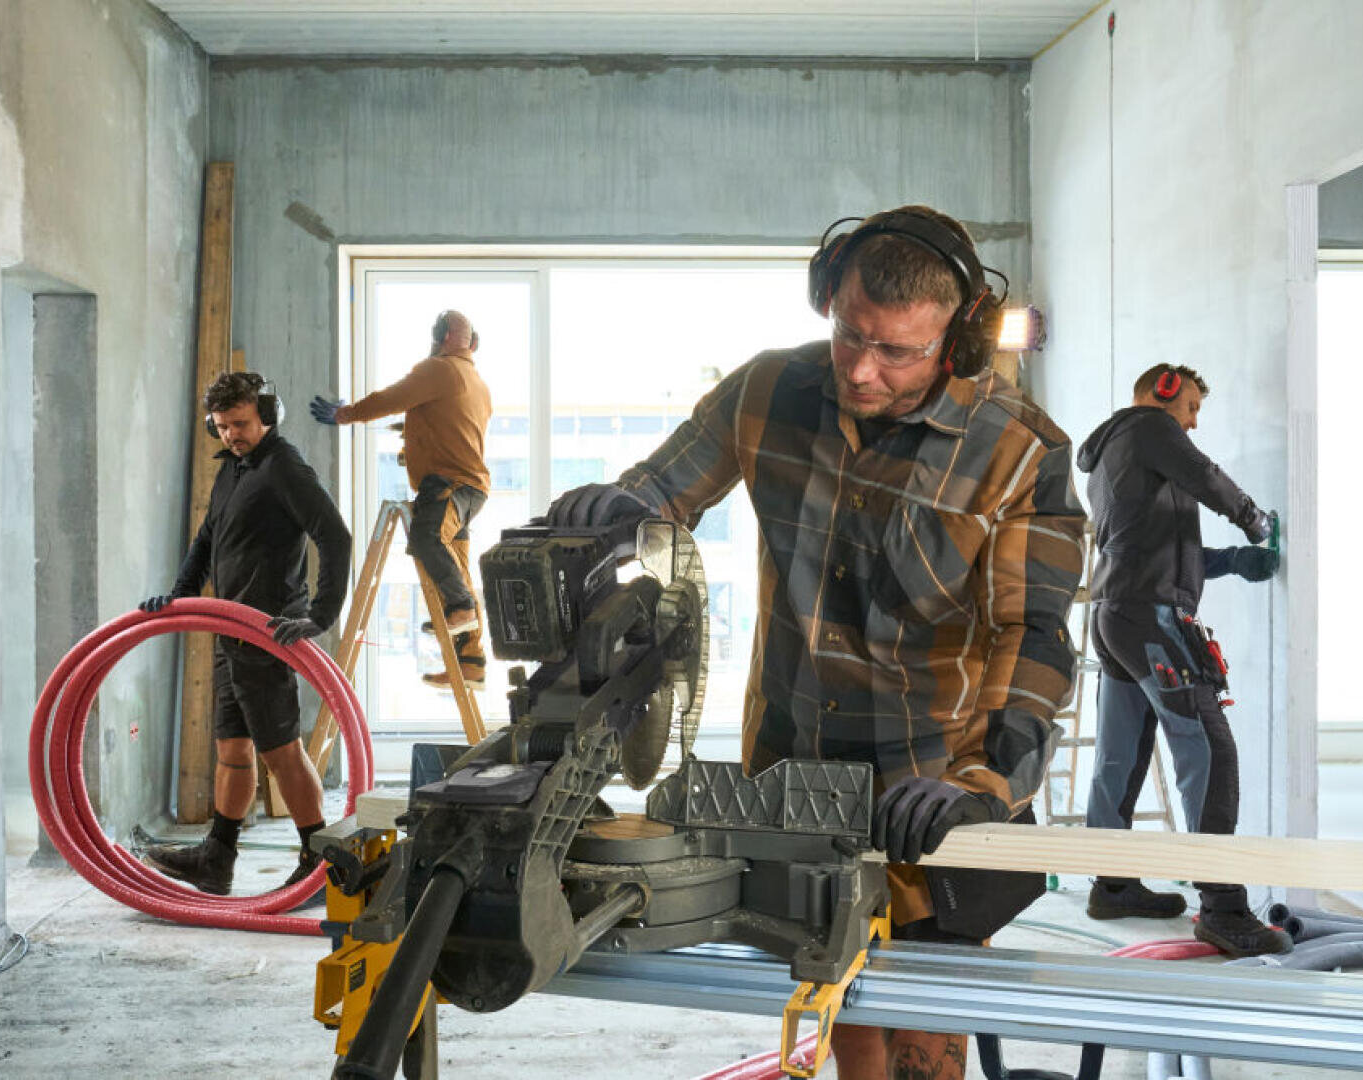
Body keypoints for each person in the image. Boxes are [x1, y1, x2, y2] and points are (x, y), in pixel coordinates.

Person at [545, 207, 1086, 1080]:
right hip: (791, 777)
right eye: (848, 336)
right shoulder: (769, 390)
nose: (861, 370)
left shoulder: (1018, 452)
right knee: (841, 1002)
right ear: (827, 299)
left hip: (929, 790)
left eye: (897, 352)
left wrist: (985, 791)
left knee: (924, 1032)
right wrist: (620, 509)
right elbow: (663, 487)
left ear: (960, 340)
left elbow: (1034, 636)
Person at [1077, 363, 1290, 957]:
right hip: (1150, 618)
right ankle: (1222, 908)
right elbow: (1205, 477)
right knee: (1209, 745)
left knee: (1121, 752)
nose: (1193, 421)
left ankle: (1112, 881)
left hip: (1116, 613)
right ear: (1163, 390)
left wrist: (1233, 561)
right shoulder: (1150, 428)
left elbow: (1162, 545)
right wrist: (1256, 521)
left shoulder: (1115, 452)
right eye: (1191, 405)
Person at [138, 372, 352, 896]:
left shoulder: (284, 468)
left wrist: (319, 616)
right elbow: (208, 538)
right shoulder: (233, 470)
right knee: (232, 749)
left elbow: (335, 535)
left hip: (268, 632)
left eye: (240, 423)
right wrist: (178, 595)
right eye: (223, 425)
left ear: (266, 416)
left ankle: (317, 859)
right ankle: (219, 857)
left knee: (280, 752)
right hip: (229, 628)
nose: (232, 434)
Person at [310, 310, 493, 692]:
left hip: (447, 486)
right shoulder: (475, 381)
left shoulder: (439, 369)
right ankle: (471, 661)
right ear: (472, 343)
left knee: (426, 540)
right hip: (472, 489)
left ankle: (462, 608)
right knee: (455, 563)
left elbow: (392, 398)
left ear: (443, 337)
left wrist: (346, 414)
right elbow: (446, 424)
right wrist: (411, 432)